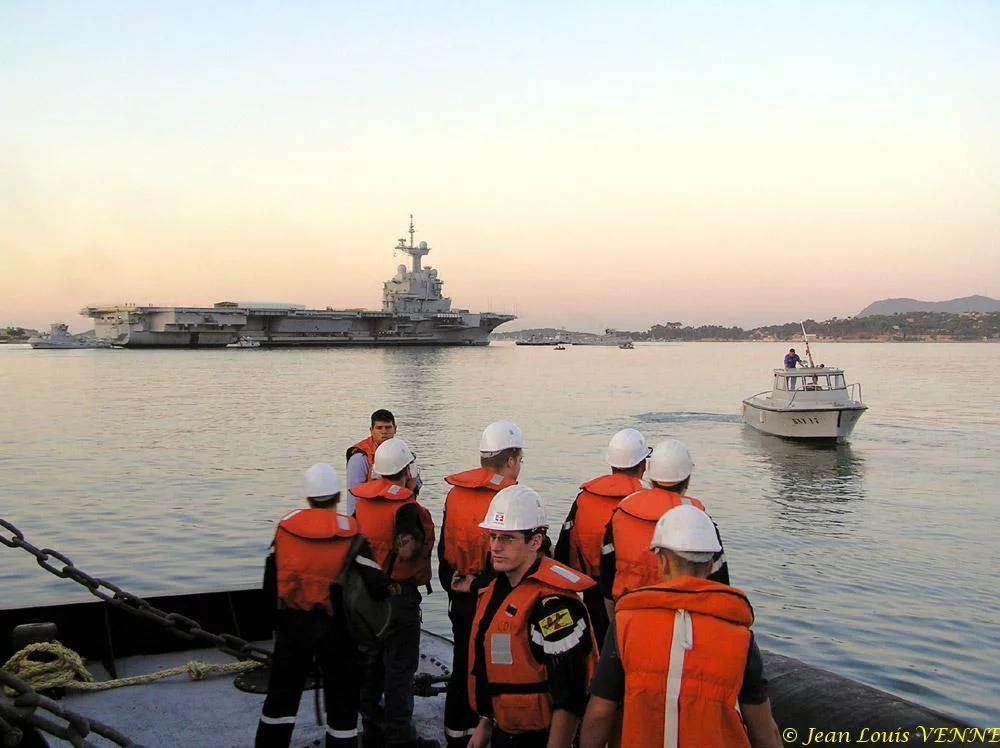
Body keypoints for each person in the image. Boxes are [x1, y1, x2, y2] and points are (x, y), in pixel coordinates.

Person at [580, 505, 783, 748]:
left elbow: (599, 715)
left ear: (663, 562)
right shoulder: (740, 637)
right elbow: (764, 732)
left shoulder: (626, 625)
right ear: (711, 565)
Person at [255, 463, 390, 748]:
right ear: (338, 496)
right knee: (342, 709)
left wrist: (276, 626)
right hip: (338, 636)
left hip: (292, 631)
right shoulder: (351, 534)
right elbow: (377, 585)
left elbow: (270, 584)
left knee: (280, 701)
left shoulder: (285, 530)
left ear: (307, 498)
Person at [468, 485, 597, 748]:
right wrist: (485, 724)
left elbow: (570, 697)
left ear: (535, 542)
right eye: (493, 536)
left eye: (507, 538)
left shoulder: (555, 607)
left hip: (541, 737)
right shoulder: (497, 591)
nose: (495, 547)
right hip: (504, 731)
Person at [437, 420, 523, 748]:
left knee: (462, 666)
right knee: (500, 671)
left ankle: (456, 737)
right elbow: (520, 561)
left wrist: (459, 585)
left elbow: (444, 550)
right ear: (510, 460)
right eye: (520, 460)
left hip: (460, 599)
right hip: (497, 604)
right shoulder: (512, 498)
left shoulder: (455, 495)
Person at [351, 438, 438, 748]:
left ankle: (372, 731)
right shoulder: (407, 509)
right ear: (406, 471)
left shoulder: (362, 503)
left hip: (366, 599)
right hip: (398, 599)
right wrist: (412, 508)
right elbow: (407, 552)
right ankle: (400, 738)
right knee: (399, 670)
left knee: (371, 667)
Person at [600, 438, 728, 619]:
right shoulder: (700, 521)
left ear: (651, 478)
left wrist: (616, 628)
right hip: (685, 621)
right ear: (687, 480)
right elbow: (721, 586)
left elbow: (606, 582)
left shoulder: (622, 514)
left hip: (629, 616)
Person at [553, 428, 650, 646]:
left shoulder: (584, 498)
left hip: (591, 595)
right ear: (643, 465)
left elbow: (562, 550)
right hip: (635, 601)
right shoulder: (647, 501)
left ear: (611, 463)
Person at [345, 409, 399, 514]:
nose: (384, 432)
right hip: (370, 514)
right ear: (371, 430)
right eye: (379, 428)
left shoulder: (403, 453)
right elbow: (353, 498)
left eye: (388, 427)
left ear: (395, 429)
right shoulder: (359, 458)